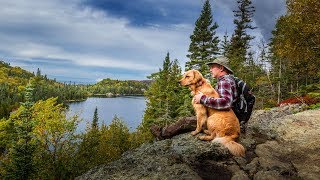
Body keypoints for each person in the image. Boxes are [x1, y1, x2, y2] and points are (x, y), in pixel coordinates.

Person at [150, 56, 238, 139]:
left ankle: (162, 133)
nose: (210, 70)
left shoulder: (224, 81)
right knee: (191, 119)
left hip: (222, 121)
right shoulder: (227, 80)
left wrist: (202, 99)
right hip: (224, 119)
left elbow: (226, 103)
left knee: (185, 121)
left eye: (212, 67)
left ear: (221, 68)